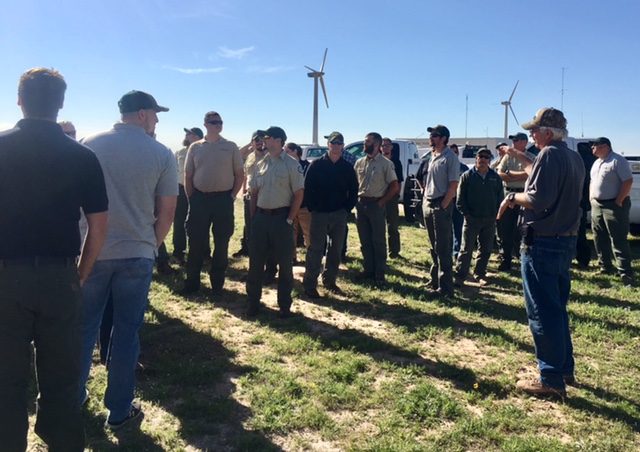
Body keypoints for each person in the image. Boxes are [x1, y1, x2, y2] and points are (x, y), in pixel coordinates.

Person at [0, 68, 108, 451]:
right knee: (62, 376)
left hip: (6, 278)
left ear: (19, 100)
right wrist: (79, 274)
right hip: (60, 277)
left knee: (6, 377)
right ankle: (62, 442)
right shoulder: (81, 155)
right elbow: (99, 226)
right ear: (61, 102)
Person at [79, 90, 177, 428]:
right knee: (125, 334)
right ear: (141, 114)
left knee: (84, 329)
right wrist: (151, 245)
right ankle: (119, 410)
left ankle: (73, 398)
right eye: (155, 113)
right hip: (136, 253)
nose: (157, 119)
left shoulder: (88, 143)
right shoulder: (162, 153)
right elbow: (167, 212)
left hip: (92, 251)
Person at [497, 107, 585, 398]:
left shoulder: (549, 155)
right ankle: (564, 368)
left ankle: (550, 378)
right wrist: (520, 155)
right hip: (565, 241)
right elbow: (542, 171)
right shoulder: (572, 156)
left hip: (542, 242)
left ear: (548, 132)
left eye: (535, 130)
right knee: (556, 308)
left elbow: (537, 198)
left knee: (541, 311)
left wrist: (511, 197)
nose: (531, 135)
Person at [179, 111, 243, 295]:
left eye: (220, 122)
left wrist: (231, 196)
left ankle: (217, 285)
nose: (218, 125)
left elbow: (239, 175)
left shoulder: (230, 147)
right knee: (196, 243)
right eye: (214, 122)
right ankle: (192, 283)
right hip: (199, 200)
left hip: (223, 200)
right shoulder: (195, 147)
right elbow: (188, 175)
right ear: (206, 124)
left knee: (221, 243)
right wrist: (192, 197)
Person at [245, 126, 304, 317]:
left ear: (278, 141)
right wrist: (254, 218)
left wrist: (289, 219)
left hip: (281, 219)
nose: (264, 140)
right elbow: (253, 194)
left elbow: (298, 194)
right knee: (255, 263)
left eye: (268, 137)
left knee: (285, 265)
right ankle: (253, 303)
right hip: (261, 219)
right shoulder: (260, 164)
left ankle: (284, 305)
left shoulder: (291, 165)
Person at [303, 132, 358, 297]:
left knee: (336, 249)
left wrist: (346, 209)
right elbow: (308, 188)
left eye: (339, 142)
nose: (335, 145)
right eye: (333, 142)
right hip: (319, 214)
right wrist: (313, 208)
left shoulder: (347, 168)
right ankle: (310, 284)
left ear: (342, 145)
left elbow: (353, 191)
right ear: (328, 145)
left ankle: (330, 280)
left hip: (339, 214)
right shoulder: (317, 165)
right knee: (316, 249)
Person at [454, 148, 504, 286]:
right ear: (476, 158)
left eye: (486, 157)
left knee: (486, 249)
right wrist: (467, 214)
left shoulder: (495, 177)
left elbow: (501, 197)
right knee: (466, 249)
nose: (483, 159)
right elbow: (460, 199)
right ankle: (461, 275)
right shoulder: (467, 176)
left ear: (489, 160)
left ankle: (480, 274)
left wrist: (496, 214)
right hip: (471, 219)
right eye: (480, 156)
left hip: (489, 219)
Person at [354, 132, 399, 283]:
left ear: (376, 145)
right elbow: (354, 183)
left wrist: (381, 203)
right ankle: (368, 270)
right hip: (361, 205)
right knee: (365, 240)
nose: (364, 144)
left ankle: (379, 273)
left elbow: (394, 186)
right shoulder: (359, 162)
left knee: (378, 241)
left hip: (376, 205)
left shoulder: (386, 164)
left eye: (367, 142)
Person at [422, 125, 460, 298]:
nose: (431, 137)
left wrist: (443, 206)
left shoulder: (450, 157)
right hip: (428, 204)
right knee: (433, 246)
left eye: (435, 135)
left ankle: (446, 289)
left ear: (444, 138)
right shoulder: (432, 156)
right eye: (431, 134)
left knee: (443, 248)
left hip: (440, 205)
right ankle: (435, 281)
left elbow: (453, 185)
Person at [589, 137, 634, 284]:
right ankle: (605, 266)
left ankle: (625, 272)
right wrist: (592, 197)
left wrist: (619, 201)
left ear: (604, 146)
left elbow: (628, 181)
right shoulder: (597, 162)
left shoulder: (617, 160)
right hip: (597, 205)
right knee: (598, 236)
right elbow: (592, 181)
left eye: (594, 146)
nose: (592, 148)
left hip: (614, 205)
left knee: (618, 238)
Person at [496, 133, 537, 271]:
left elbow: (531, 174)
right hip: (508, 194)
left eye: (516, 140)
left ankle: (523, 258)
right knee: (505, 229)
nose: (512, 143)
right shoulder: (508, 156)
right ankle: (505, 259)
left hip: (523, 195)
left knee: (522, 230)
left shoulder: (531, 158)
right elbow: (499, 174)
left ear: (524, 142)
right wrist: (517, 175)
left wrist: (510, 174)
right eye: (512, 140)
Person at [173, 126, 204, 265]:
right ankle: (179, 251)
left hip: (198, 191)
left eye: (189, 133)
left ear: (197, 137)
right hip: (180, 190)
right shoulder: (179, 152)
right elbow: (173, 171)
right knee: (179, 221)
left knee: (199, 223)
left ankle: (202, 251)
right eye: (186, 133)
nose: (186, 135)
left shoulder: (204, 152)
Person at [234, 130, 266, 257]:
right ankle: (247, 248)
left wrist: (262, 143)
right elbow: (246, 174)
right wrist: (243, 191)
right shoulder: (251, 155)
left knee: (261, 224)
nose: (260, 143)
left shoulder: (269, 155)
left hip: (264, 196)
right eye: (257, 140)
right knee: (249, 223)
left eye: (262, 139)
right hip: (250, 195)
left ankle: (260, 251)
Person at [285, 142, 312, 264]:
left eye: (288, 151)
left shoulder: (307, 166)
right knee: (290, 234)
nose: (285, 154)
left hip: (304, 206)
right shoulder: (285, 166)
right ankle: (291, 258)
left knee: (309, 234)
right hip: (289, 205)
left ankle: (312, 259)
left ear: (295, 151)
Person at [381, 138, 403, 258]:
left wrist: (397, 194)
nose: (385, 148)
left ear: (391, 147)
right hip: (378, 197)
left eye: (387, 145)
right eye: (383, 146)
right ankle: (380, 251)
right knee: (379, 226)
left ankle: (394, 251)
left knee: (393, 225)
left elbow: (399, 181)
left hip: (391, 197)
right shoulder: (377, 161)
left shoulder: (396, 162)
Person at [449, 143, 469, 258]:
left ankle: (456, 252)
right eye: (451, 152)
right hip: (446, 201)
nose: (453, 154)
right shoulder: (444, 167)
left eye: (455, 152)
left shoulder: (464, 168)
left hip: (458, 201)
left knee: (458, 228)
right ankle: (447, 250)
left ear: (458, 153)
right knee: (446, 229)